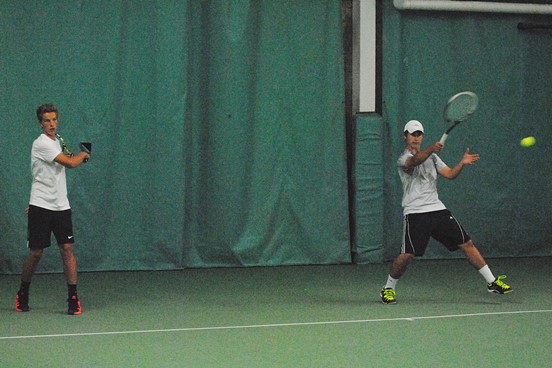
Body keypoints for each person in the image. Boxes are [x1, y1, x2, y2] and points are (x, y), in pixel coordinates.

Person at [380, 120, 511, 304]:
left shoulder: (433, 158)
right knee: (408, 254)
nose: (416, 138)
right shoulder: (404, 159)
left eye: (419, 134)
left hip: (437, 209)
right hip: (415, 212)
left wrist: (462, 163)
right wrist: (432, 149)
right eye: (412, 134)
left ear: (422, 136)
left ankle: (492, 282)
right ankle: (388, 288)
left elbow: (450, 174)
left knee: (466, 243)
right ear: (405, 136)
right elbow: (415, 160)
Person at [15, 103, 90, 315]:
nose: (51, 124)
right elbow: (70, 163)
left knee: (67, 249)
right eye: (47, 120)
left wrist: (78, 155)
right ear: (40, 124)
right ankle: (23, 292)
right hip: (40, 205)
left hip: (61, 206)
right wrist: (84, 155)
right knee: (36, 252)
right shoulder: (41, 144)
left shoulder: (58, 141)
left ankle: (73, 298)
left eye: (54, 119)